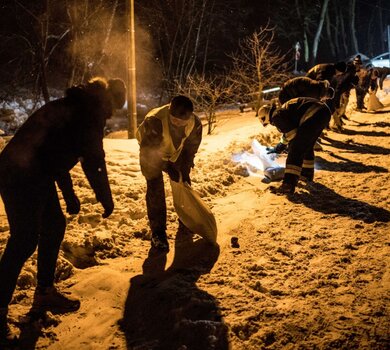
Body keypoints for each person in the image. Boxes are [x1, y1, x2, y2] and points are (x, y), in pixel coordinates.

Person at [0, 77, 126, 346]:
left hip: (31, 171)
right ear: (109, 101)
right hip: (21, 174)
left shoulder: (74, 106)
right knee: (24, 240)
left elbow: (55, 154)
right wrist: (106, 199)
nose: (111, 115)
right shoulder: (89, 114)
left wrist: (69, 195)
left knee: (54, 224)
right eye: (113, 108)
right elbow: (94, 162)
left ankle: (44, 291)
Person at [136, 95, 202, 252]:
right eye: (174, 119)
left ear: (190, 117)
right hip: (149, 151)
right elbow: (149, 152)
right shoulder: (155, 120)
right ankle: (158, 234)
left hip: (173, 152)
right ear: (169, 113)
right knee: (155, 188)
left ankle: (187, 220)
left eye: (181, 121)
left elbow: (190, 149)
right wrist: (166, 165)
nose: (177, 123)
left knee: (183, 182)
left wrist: (184, 170)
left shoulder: (195, 123)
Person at [257, 97, 331, 194]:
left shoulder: (276, 116)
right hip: (323, 112)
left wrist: (285, 147)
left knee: (295, 149)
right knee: (307, 146)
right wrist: (280, 146)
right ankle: (306, 174)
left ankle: (288, 185)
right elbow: (290, 131)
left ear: (265, 117)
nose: (271, 124)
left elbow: (292, 134)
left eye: (268, 123)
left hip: (313, 114)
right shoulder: (281, 111)